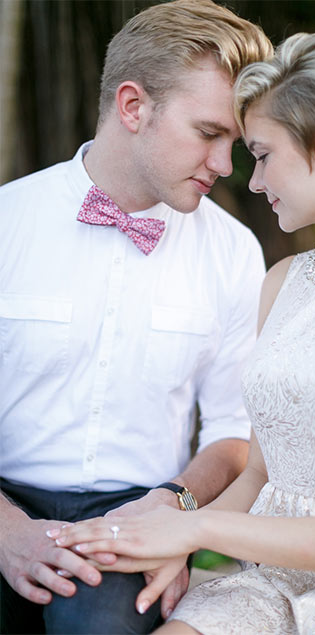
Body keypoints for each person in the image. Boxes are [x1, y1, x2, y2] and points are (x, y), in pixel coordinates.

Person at [54, 29, 315, 634]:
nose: (249, 180)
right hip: (261, 586)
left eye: (262, 153)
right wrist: (176, 544)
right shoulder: (282, 282)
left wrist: (194, 528)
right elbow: (259, 470)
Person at [0, 1, 273, 632]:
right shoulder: (8, 222)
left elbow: (233, 434)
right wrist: (10, 531)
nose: (226, 165)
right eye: (209, 133)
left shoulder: (234, 253)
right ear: (133, 107)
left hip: (136, 515)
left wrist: (172, 510)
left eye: (236, 142)